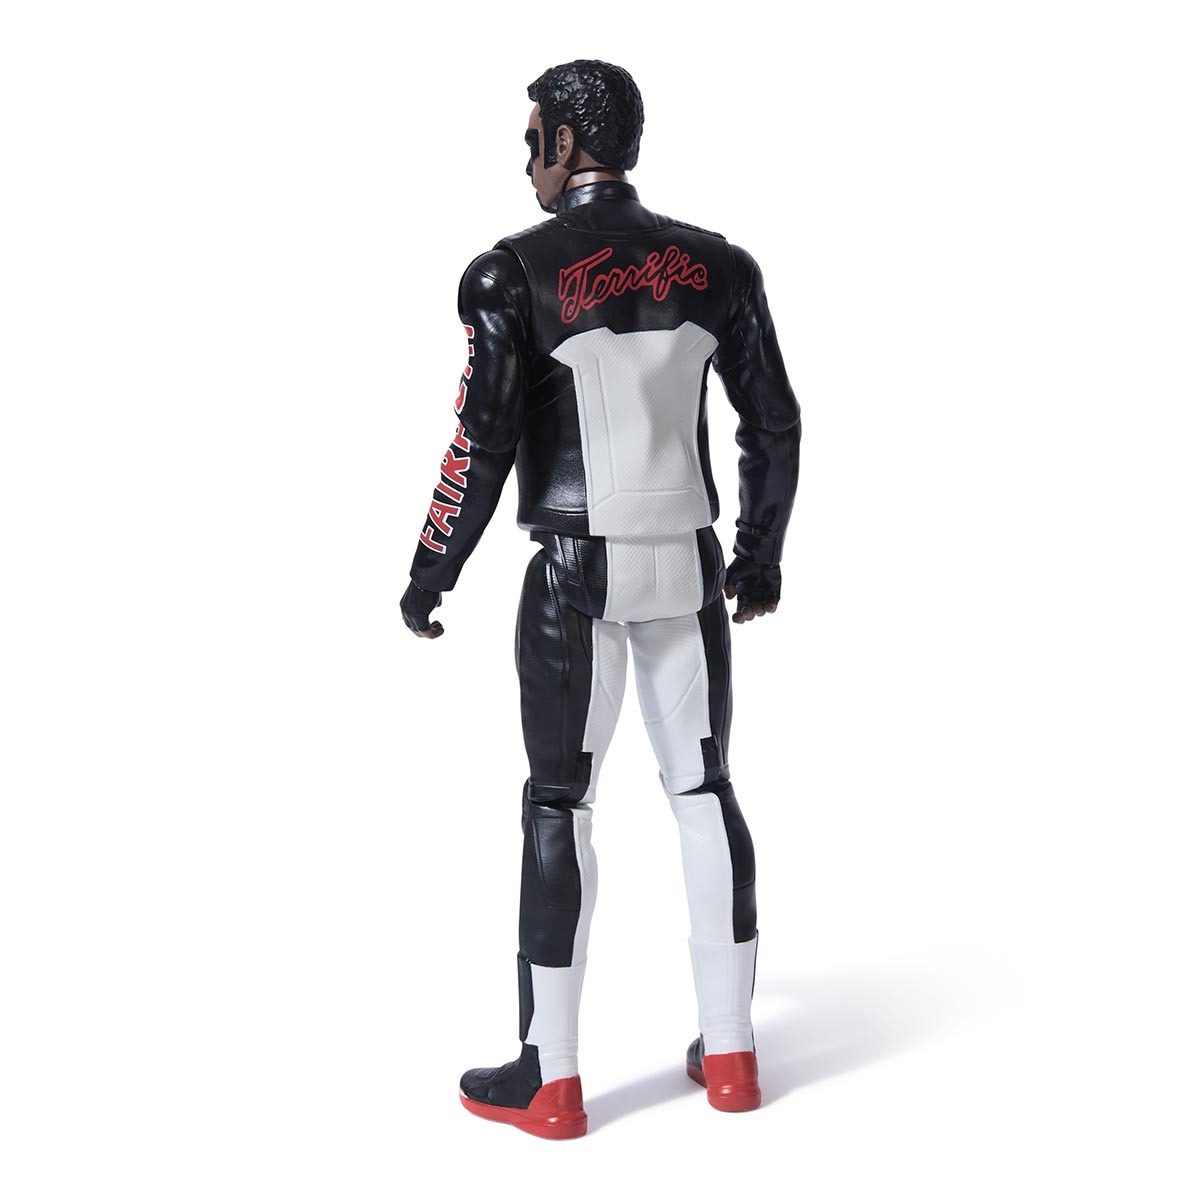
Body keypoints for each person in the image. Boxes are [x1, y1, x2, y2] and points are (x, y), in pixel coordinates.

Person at [400, 59, 801, 1139]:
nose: (525, 157)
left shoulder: (508, 273)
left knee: (557, 803)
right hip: (688, 562)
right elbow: (774, 422)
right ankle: (732, 1052)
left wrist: (432, 569)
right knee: (704, 792)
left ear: (569, 143)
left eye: (533, 135)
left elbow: (480, 444)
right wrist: (758, 557)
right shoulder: (720, 266)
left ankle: (554, 1074)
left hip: (576, 570)